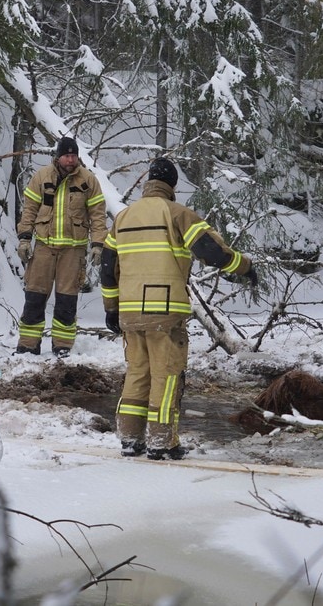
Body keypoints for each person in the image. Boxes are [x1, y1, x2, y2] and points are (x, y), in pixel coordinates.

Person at [101, 158, 256, 460]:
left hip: (130, 313)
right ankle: (162, 442)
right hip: (164, 311)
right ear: (172, 185)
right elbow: (211, 252)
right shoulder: (177, 214)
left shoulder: (122, 218)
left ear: (148, 183)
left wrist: (111, 308)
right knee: (166, 376)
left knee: (137, 373)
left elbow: (108, 268)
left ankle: (130, 439)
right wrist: (245, 266)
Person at [14, 136, 107, 357]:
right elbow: (29, 210)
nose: (71, 160)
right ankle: (27, 345)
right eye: (67, 155)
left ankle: (62, 346)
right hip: (44, 247)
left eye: (74, 155)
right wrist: (25, 238)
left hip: (73, 251)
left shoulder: (88, 180)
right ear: (58, 156)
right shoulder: (42, 177)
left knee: (67, 300)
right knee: (34, 297)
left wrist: (97, 244)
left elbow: (98, 215)